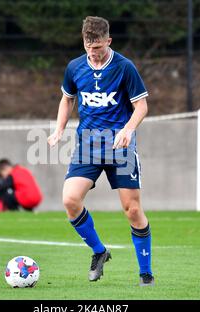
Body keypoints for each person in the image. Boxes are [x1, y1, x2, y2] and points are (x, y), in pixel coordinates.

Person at [47, 16, 154, 286]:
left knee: (131, 209)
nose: (93, 53)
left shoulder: (124, 67)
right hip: (88, 146)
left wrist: (128, 129)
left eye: (98, 48)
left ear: (108, 41)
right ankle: (99, 252)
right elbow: (67, 99)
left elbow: (141, 106)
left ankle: (146, 273)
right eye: (88, 47)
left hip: (120, 146)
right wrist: (59, 129)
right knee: (70, 200)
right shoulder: (74, 67)